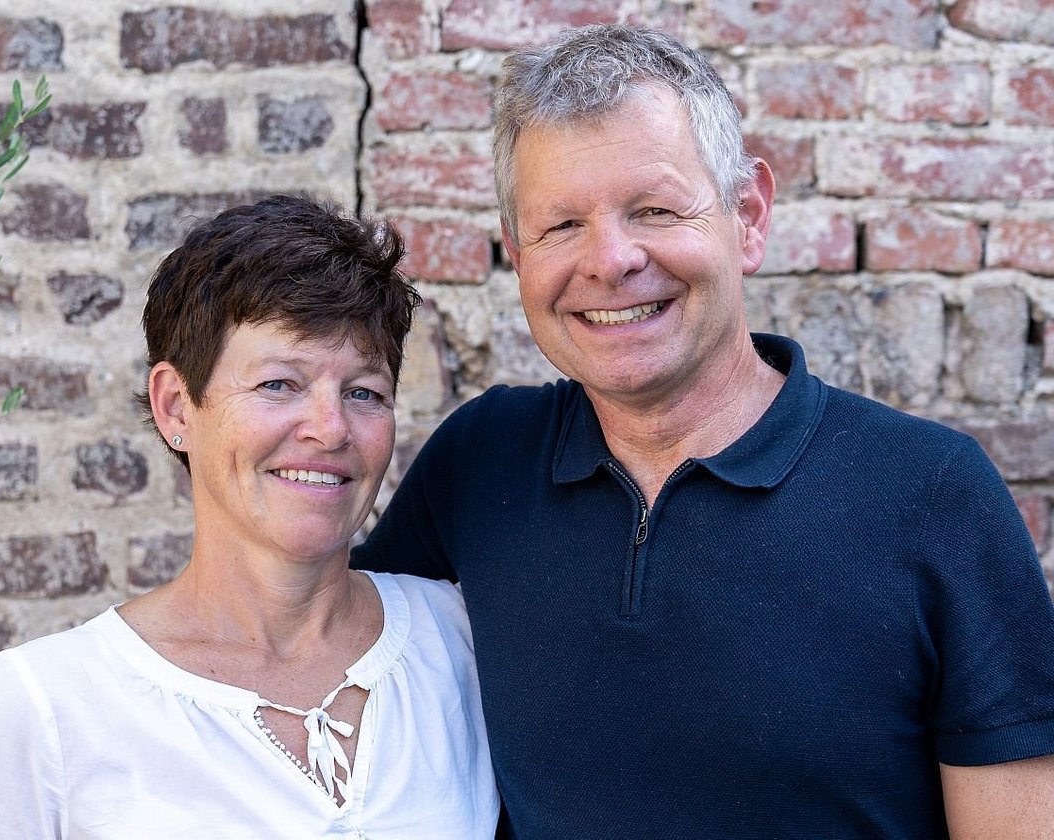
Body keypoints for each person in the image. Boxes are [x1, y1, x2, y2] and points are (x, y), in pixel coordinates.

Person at [353, 23, 1054, 838]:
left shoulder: (932, 494)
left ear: (747, 215)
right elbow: (313, 654)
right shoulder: (479, 467)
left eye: (653, 209)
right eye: (561, 226)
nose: (610, 260)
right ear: (516, 252)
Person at [0, 194, 499, 838]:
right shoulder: (48, 708)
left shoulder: (461, 640)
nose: (329, 428)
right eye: (278, 384)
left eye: (363, 392)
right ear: (177, 407)